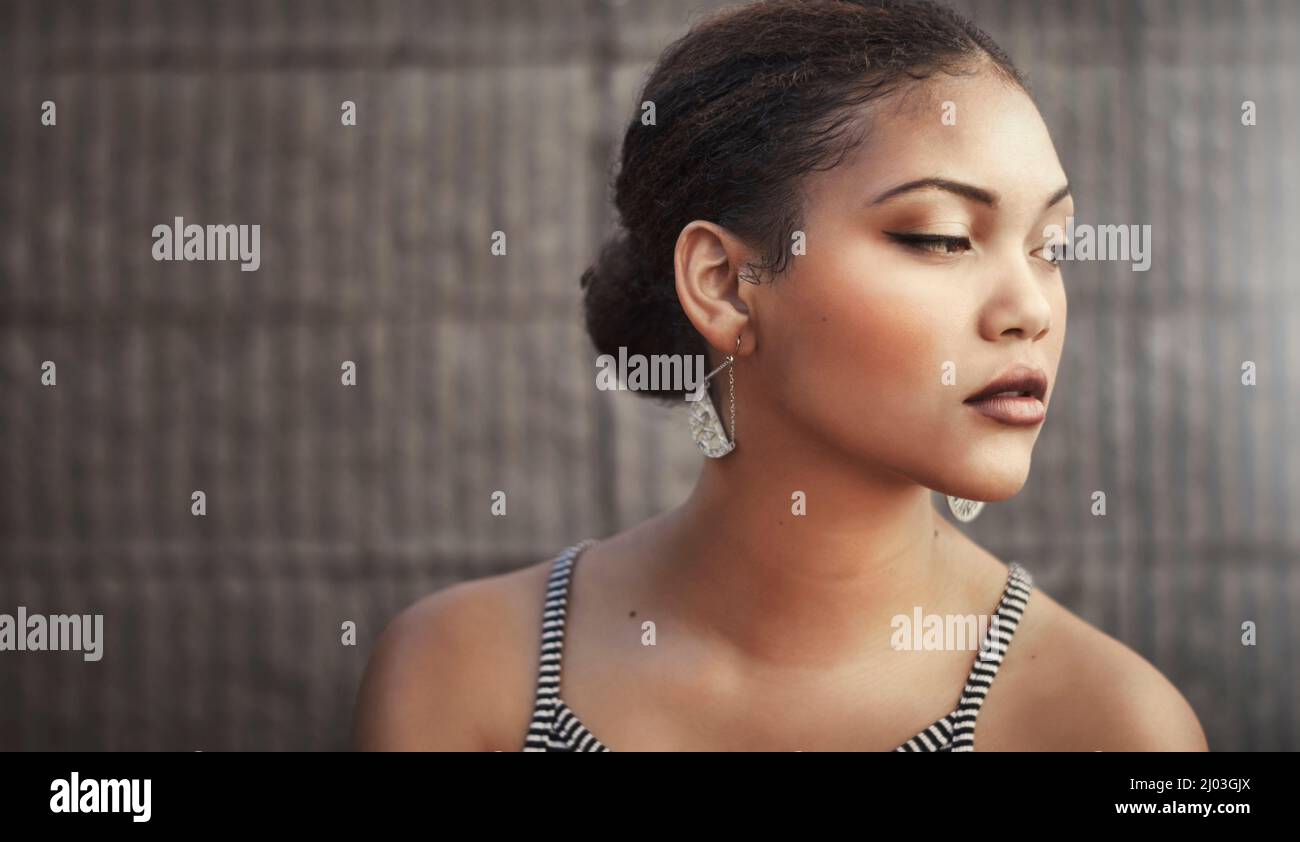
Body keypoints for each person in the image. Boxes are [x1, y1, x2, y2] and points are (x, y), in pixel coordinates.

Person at [353, 0, 1208, 752]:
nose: (1032, 308)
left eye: (1049, 249)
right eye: (941, 237)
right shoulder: (462, 677)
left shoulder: (1112, 730)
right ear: (725, 284)